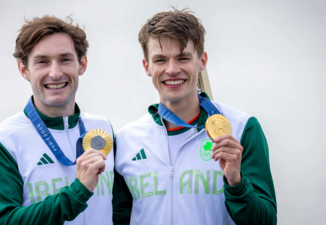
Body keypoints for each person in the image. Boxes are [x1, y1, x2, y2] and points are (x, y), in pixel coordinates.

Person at [113, 8, 277, 225]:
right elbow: (118, 218)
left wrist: (236, 182)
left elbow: (266, 221)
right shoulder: (125, 140)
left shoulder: (242, 128)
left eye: (183, 58)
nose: (172, 70)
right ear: (147, 67)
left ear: (202, 61)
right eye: (160, 60)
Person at [0, 15, 115, 225]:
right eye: (42, 62)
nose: (55, 73)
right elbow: (3, 221)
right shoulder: (0, 141)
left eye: (65, 59)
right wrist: (77, 193)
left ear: (82, 64)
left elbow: (122, 208)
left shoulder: (102, 128)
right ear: (24, 70)